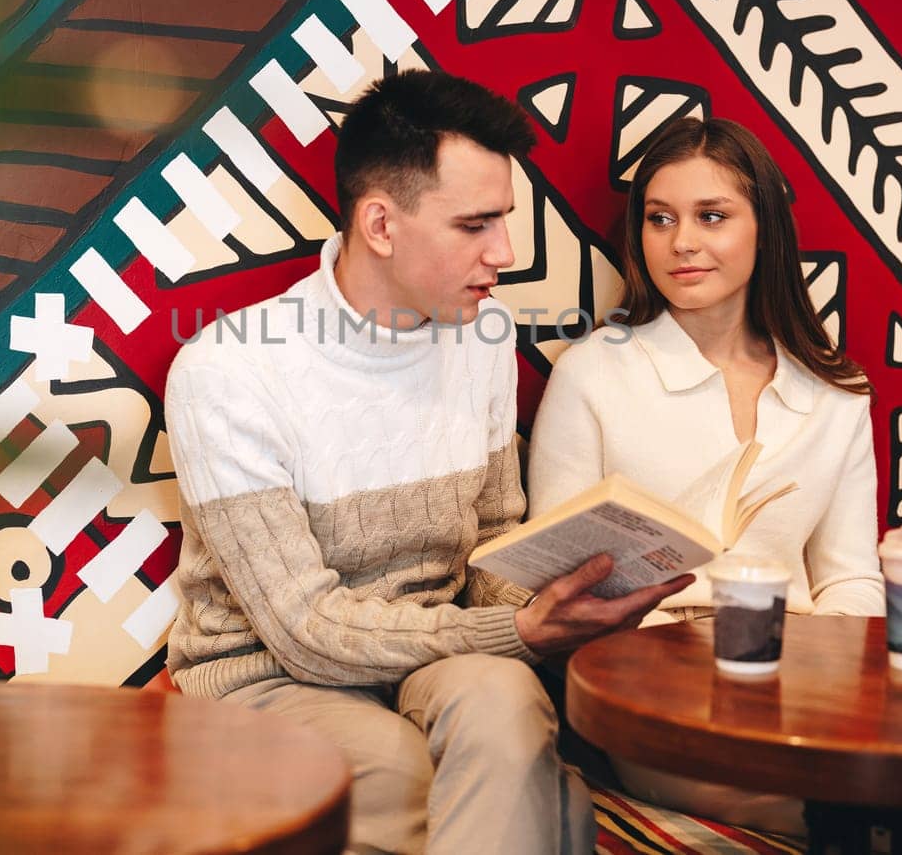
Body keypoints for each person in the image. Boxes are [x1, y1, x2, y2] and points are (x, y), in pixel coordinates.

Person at [162, 69, 694, 855]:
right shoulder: (228, 370)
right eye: (475, 224)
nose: (505, 253)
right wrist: (515, 628)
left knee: (507, 705)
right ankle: (559, 816)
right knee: (409, 769)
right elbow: (304, 630)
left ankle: (553, 811)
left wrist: (568, 602)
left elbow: (492, 543)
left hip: (436, 652)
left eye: (504, 220)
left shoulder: (481, 338)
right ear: (381, 222)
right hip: (269, 677)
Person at [527, 115, 885, 834]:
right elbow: (554, 580)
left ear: (765, 231)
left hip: (807, 688)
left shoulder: (836, 393)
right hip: (659, 703)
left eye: (711, 216)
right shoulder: (593, 374)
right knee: (879, 817)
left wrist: (814, 672)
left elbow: (852, 578)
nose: (681, 241)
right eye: (659, 219)